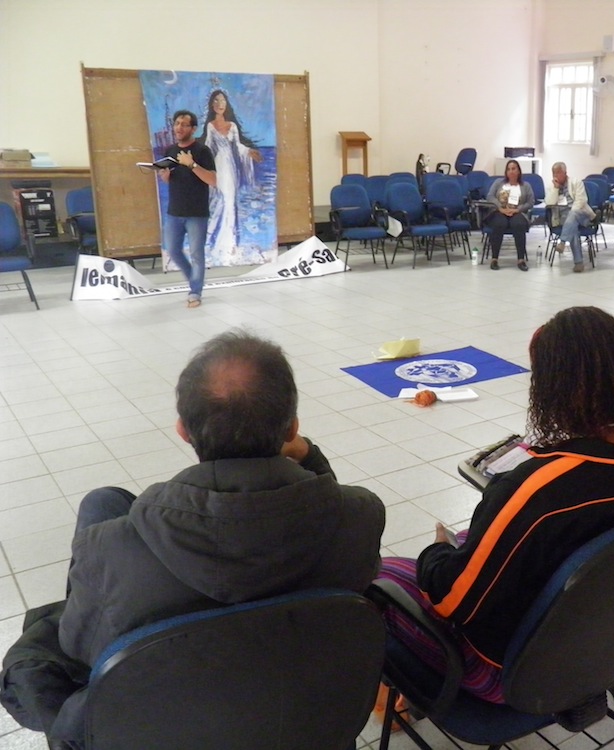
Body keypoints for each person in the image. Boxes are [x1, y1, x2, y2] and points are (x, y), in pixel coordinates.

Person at [0, 330, 386, 748]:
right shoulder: (363, 515)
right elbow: (331, 510)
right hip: (295, 711)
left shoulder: (108, 546)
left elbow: (79, 650)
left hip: (169, 723)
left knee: (100, 513)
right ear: (291, 428)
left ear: (183, 430)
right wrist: (310, 457)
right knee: (105, 502)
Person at [377, 306, 614, 703]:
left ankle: (391, 694)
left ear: (552, 389)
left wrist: (436, 553)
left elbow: (452, 601)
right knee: (478, 538)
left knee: (379, 575)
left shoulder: (539, 489)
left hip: (511, 673)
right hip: (607, 652)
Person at [160, 109, 216, 308]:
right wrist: (165, 177)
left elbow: (212, 180)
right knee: (173, 250)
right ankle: (194, 280)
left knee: (196, 254)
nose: (179, 128)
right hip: (174, 212)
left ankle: (195, 292)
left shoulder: (202, 151)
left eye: (184, 125)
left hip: (196, 213)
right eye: (176, 124)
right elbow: (171, 179)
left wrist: (191, 164)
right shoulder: (169, 151)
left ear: (193, 129)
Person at [199, 89, 263, 262]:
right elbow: (208, 147)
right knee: (218, 201)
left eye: (222, 100)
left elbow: (237, 146)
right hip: (218, 165)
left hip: (230, 168)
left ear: (226, 104)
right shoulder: (210, 126)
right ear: (212, 104)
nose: (219, 104)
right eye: (216, 100)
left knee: (229, 202)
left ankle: (229, 243)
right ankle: (212, 241)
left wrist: (249, 152)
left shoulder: (232, 126)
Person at [545, 161, 596, 273]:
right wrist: (555, 189)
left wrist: (571, 214)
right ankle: (579, 263)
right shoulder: (551, 186)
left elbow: (581, 201)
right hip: (563, 219)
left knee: (573, 216)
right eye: (554, 173)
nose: (556, 175)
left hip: (582, 215)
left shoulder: (576, 182)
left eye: (558, 173)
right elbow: (549, 203)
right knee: (573, 228)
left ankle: (563, 241)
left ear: (565, 173)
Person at [484, 159, 535, 271]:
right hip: (500, 212)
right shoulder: (498, 183)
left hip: (517, 212)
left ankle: (521, 259)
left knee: (518, 224)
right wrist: (500, 208)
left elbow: (530, 202)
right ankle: (494, 259)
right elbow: (490, 197)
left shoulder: (526, 185)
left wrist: (518, 209)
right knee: (499, 223)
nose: (511, 171)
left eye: (513, 169)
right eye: (508, 169)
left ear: (518, 171)